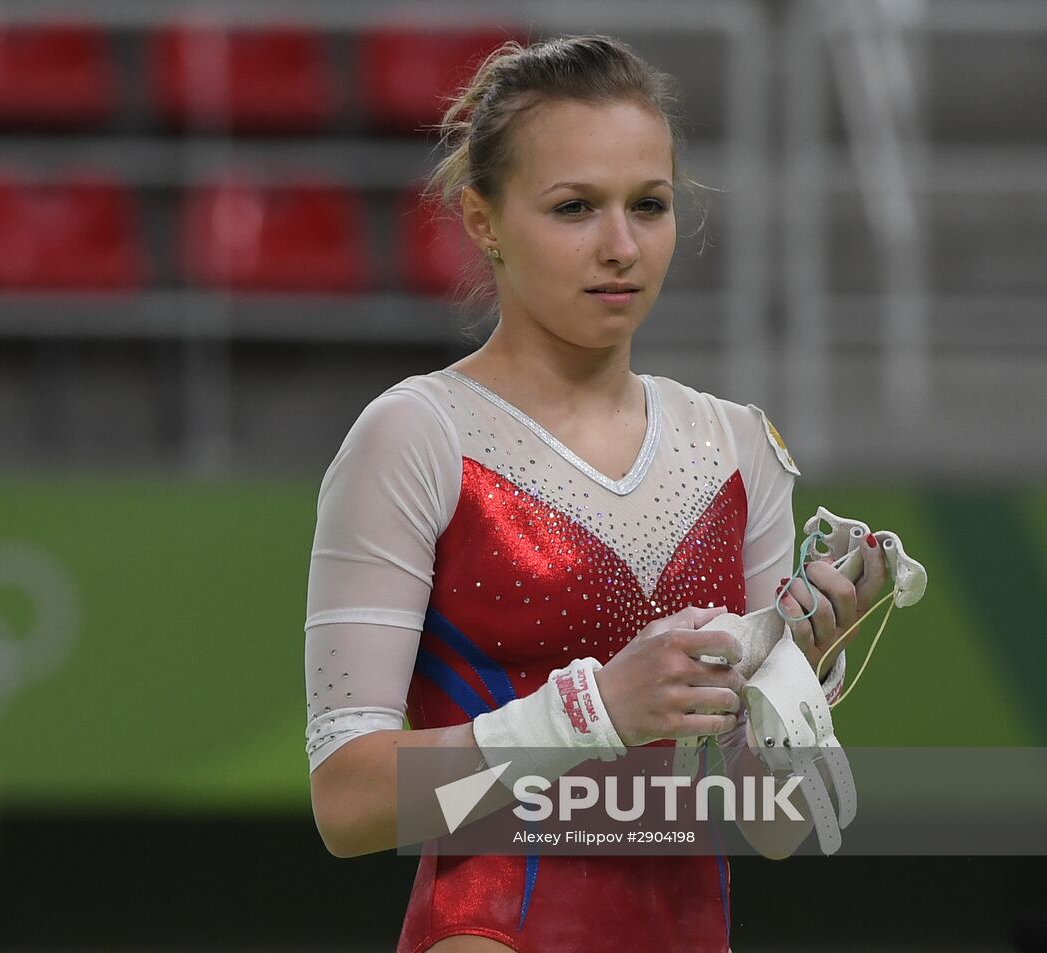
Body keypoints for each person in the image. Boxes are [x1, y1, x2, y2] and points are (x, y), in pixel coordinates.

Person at [304, 35, 889, 952]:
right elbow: (345, 800)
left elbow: (771, 825)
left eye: (647, 206)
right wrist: (595, 713)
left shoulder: (738, 447)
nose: (620, 246)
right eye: (574, 207)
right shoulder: (417, 436)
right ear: (483, 219)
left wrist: (800, 678)